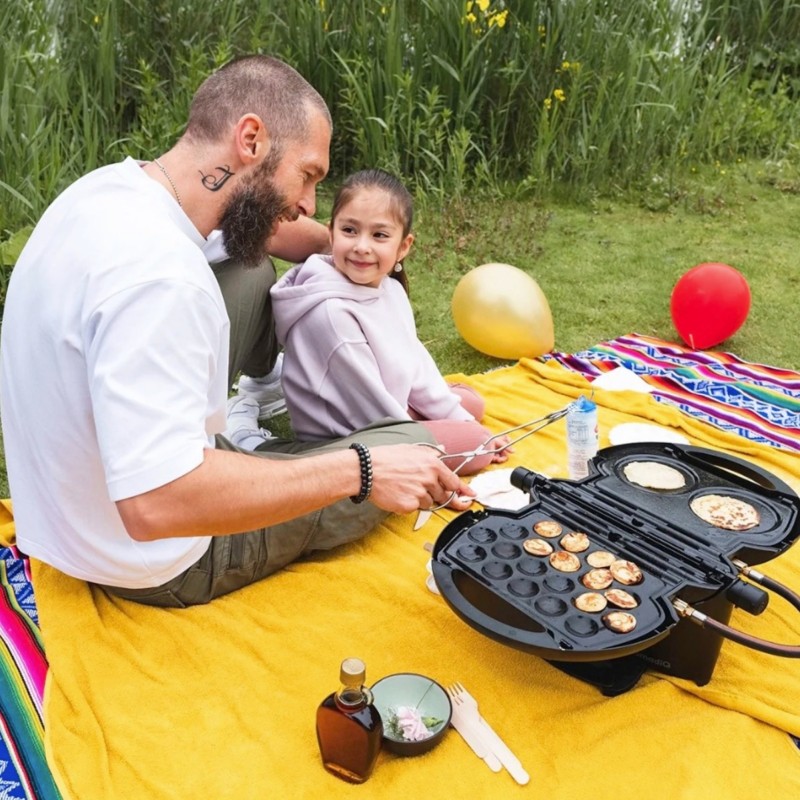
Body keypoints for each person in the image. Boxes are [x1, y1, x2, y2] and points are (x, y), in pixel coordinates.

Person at [0, 55, 473, 608]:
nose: (307, 203)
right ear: (251, 139)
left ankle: (261, 432)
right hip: (158, 558)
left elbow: (289, 237)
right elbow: (155, 503)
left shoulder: (112, 193)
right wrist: (360, 469)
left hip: (73, 514)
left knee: (250, 269)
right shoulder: (162, 281)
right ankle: (301, 446)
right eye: (308, 175)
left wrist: (358, 252)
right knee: (410, 444)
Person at [270, 169, 511, 475]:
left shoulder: (390, 289)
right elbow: (371, 412)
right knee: (477, 445)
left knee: (471, 406)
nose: (362, 246)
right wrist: (466, 436)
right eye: (350, 230)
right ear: (331, 233)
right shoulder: (332, 315)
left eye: (380, 235)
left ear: (403, 246)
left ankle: (443, 421)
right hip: (346, 435)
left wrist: (457, 417)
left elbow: (416, 365)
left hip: (383, 405)